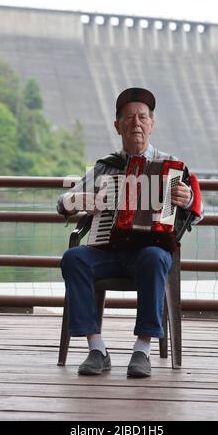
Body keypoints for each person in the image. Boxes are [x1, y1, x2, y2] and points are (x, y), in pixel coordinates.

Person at [57, 87, 199, 378]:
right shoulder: (105, 168)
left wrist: (188, 200)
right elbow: (63, 203)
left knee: (153, 256)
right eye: (129, 117)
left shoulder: (173, 168)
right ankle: (97, 349)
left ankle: (141, 350)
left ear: (152, 123)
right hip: (108, 250)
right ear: (117, 125)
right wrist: (81, 202)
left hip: (147, 254)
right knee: (73, 258)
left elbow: (194, 216)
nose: (137, 123)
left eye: (143, 117)